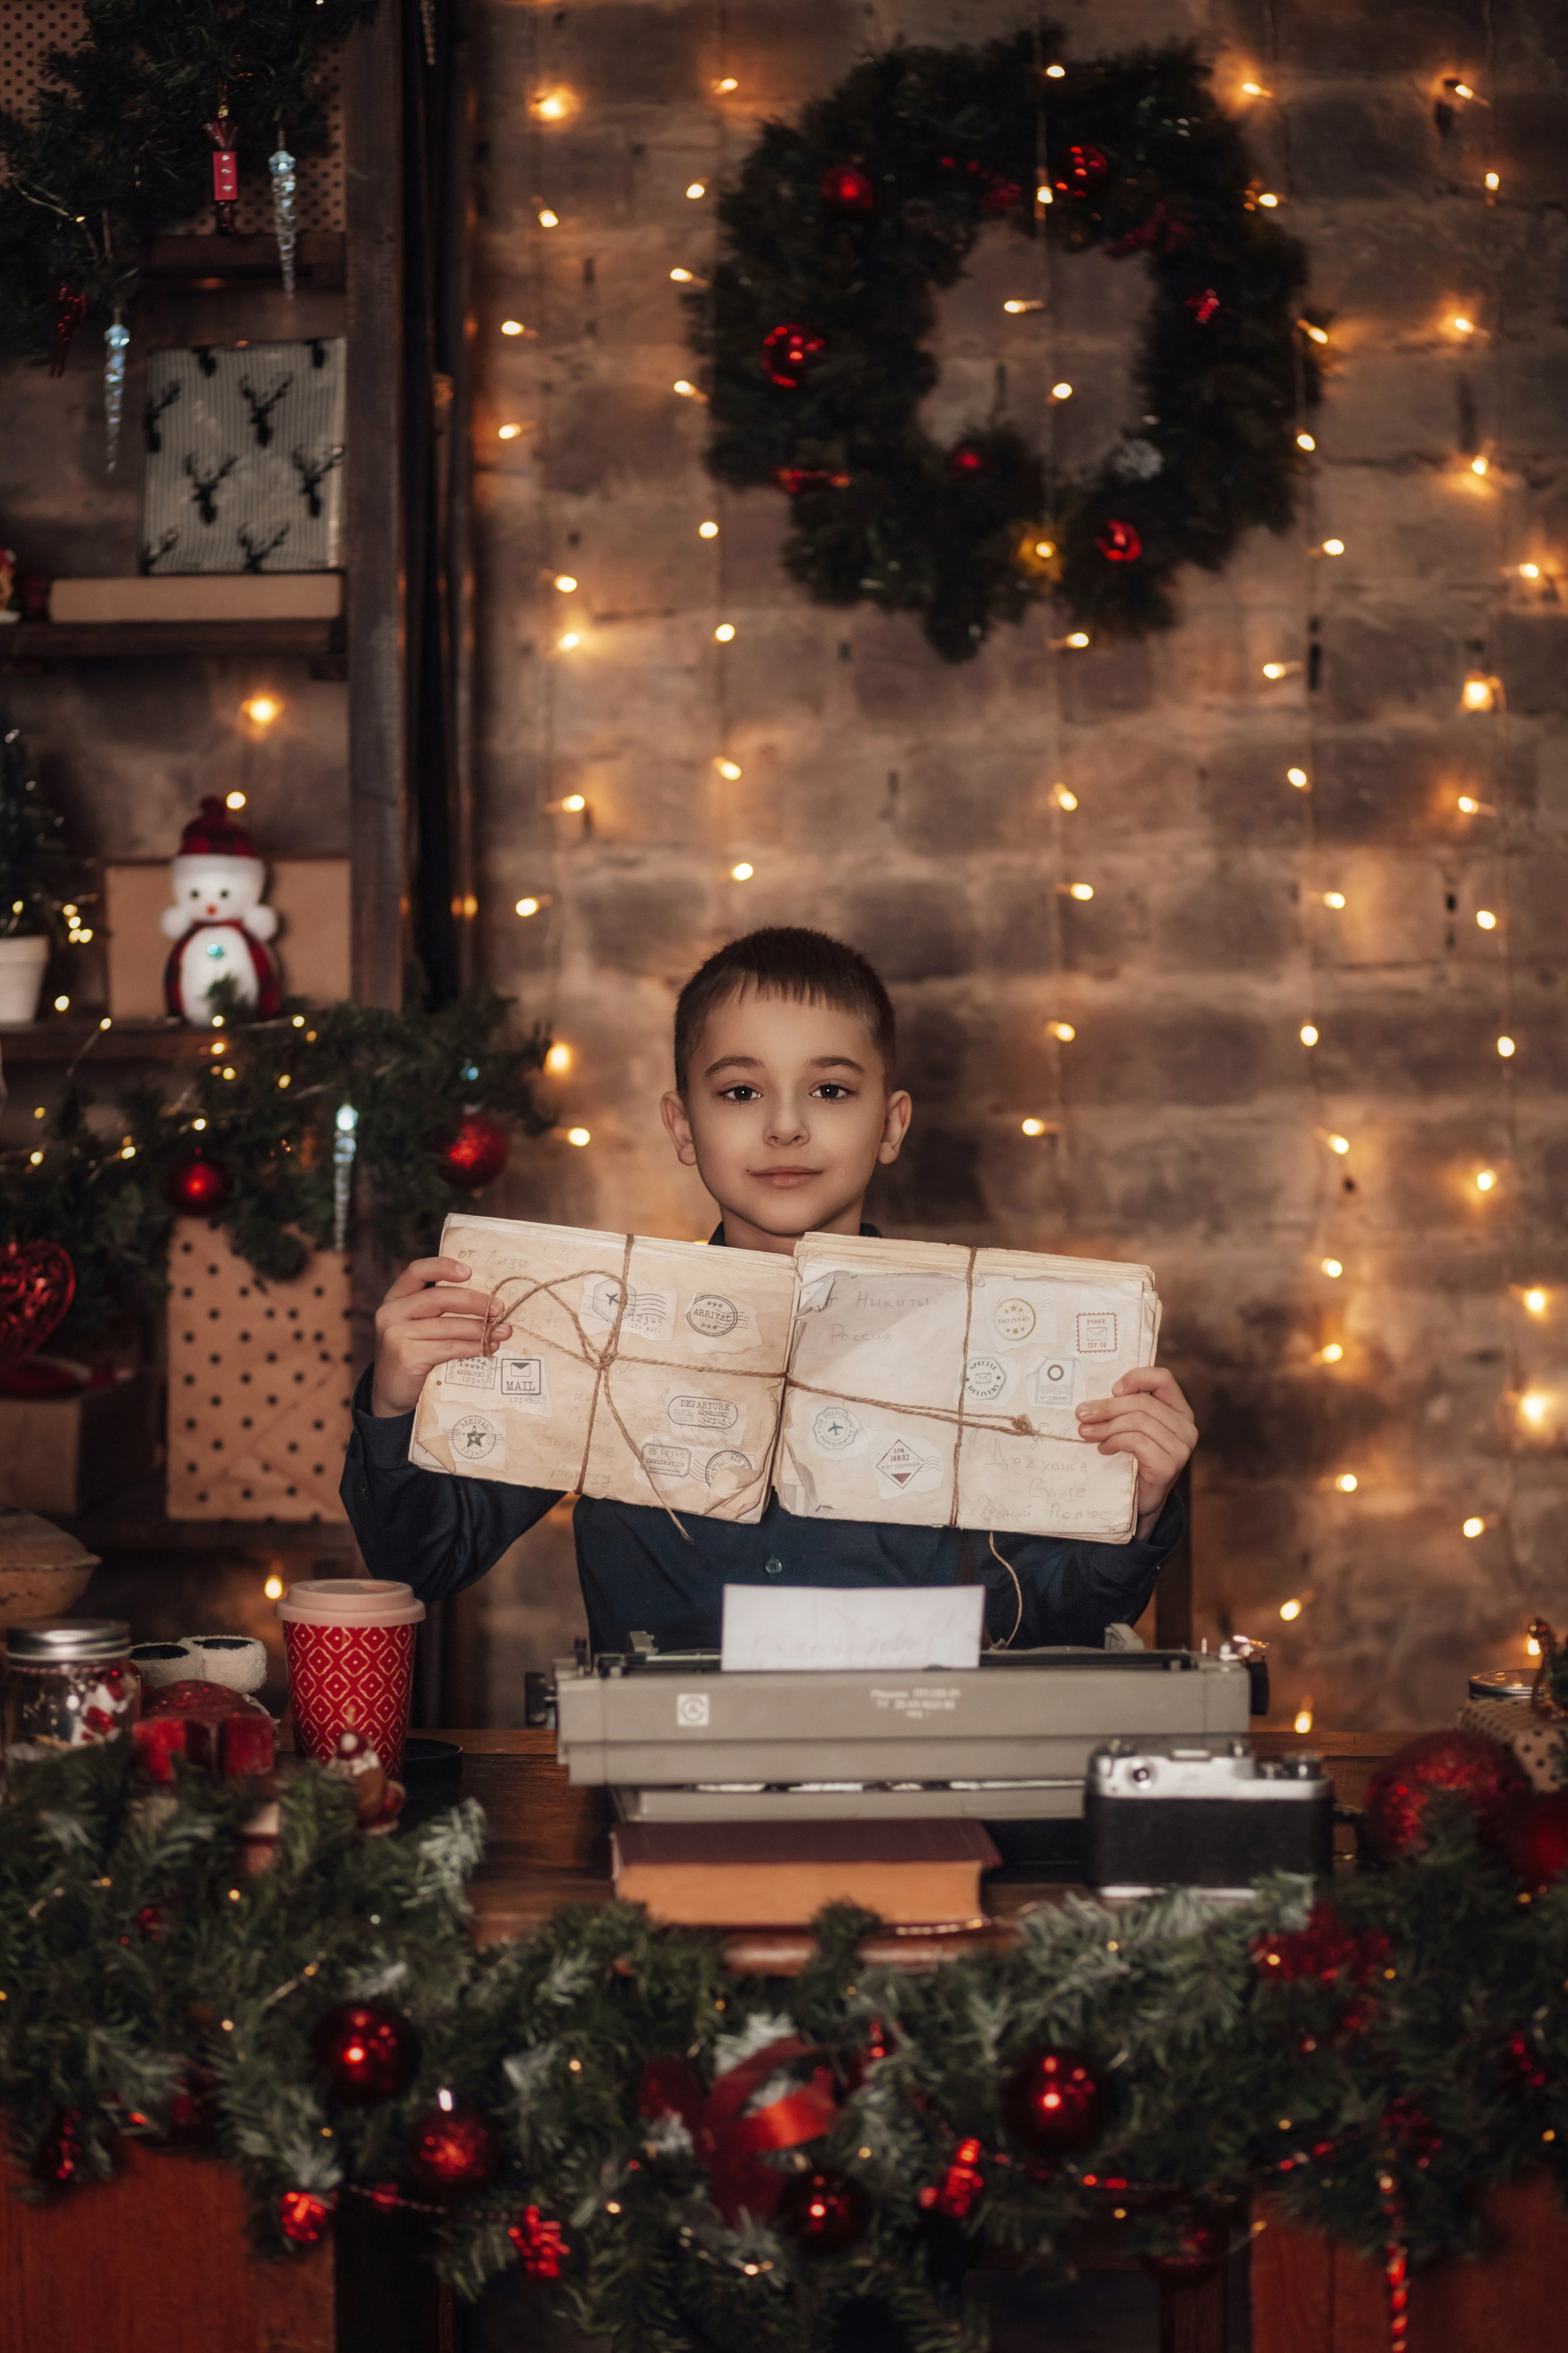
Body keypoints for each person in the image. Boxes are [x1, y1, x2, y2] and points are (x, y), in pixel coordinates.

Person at [341, 927, 1198, 1654]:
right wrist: (394, 1399)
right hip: (668, 1784)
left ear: (891, 1124)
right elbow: (427, 1561)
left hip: (916, 1782)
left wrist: (1139, 1498)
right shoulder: (596, 1324)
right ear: (683, 1125)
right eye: (741, 1091)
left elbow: (1062, 1616)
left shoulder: (990, 1339)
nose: (785, 1124)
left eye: (829, 1090)